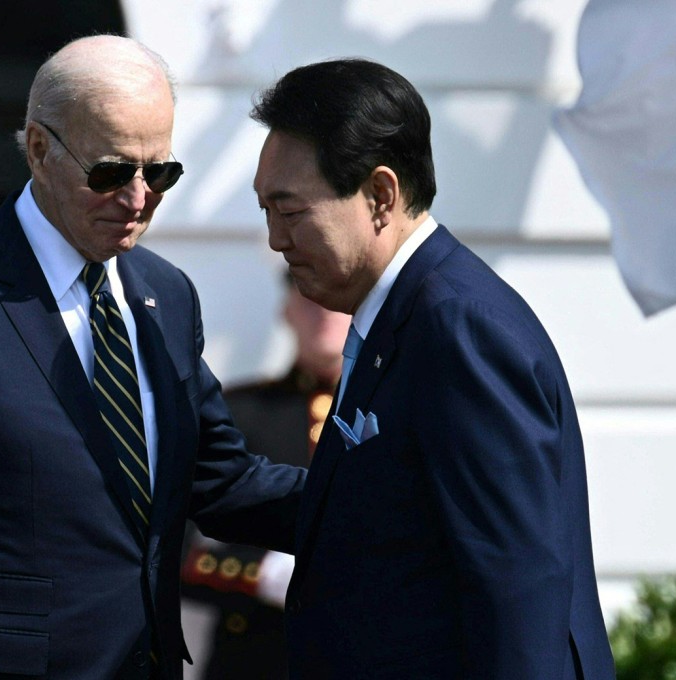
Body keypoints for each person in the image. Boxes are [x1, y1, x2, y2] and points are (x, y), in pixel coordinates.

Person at [0, 35, 305, 680]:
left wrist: (381, 492)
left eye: (159, 172)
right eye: (111, 172)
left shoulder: (165, 293)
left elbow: (221, 480)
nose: (137, 199)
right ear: (41, 150)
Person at [250, 58, 616, 679]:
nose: (275, 240)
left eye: (290, 212)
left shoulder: (455, 328)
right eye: (266, 212)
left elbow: (517, 586)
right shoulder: (407, 313)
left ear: (380, 196)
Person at [181, 276, 349, 680]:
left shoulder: (394, 418)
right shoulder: (238, 413)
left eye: (337, 304)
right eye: (309, 299)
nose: (323, 313)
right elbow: (174, 551)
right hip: (254, 657)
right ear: (286, 311)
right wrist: (261, 574)